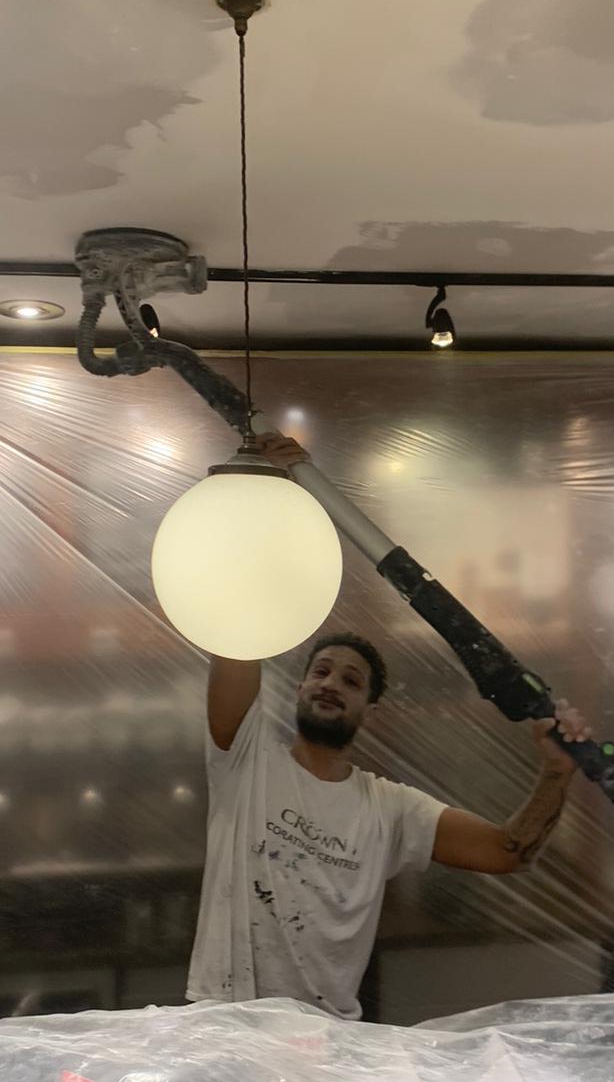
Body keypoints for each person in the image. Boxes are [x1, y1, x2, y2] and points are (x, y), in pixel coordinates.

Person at [186, 433, 591, 1021]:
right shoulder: (246, 760)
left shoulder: (388, 811)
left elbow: (508, 852)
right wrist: (275, 499)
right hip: (221, 1026)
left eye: (351, 681)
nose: (330, 683)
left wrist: (556, 773)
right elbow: (241, 626)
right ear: (298, 686)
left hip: (324, 1045)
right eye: (320, 672)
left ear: (368, 709)